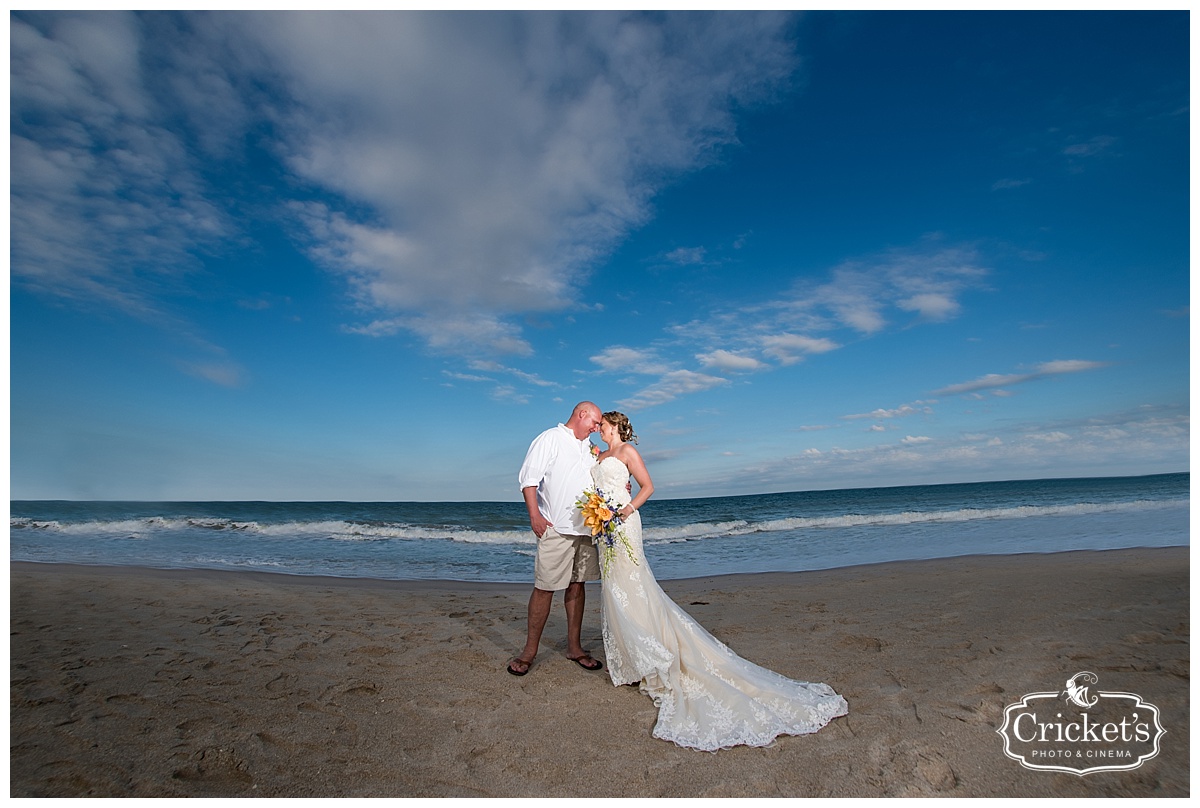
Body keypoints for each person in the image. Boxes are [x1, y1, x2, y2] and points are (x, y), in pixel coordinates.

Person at [591, 410, 849, 751]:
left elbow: (648, 486)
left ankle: (655, 656)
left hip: (623, 524)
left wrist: (624, 511)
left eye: (603, 426)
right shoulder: (600, 454)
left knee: (636, 586)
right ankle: (633, 659)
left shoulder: (626, 453)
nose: (600, 430)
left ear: (615, 427)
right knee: (615, 589)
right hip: (603, 529)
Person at [508, 401, 606, 676]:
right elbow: (528, 480)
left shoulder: (588, 448)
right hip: (557, 528)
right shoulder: (550, 438)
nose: (596, 429)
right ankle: (529, 652)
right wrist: (534, 516)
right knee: (545, 587)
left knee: (577, 586)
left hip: (586, 530)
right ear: (581, 414)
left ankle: (574, 647)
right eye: (595, 423)